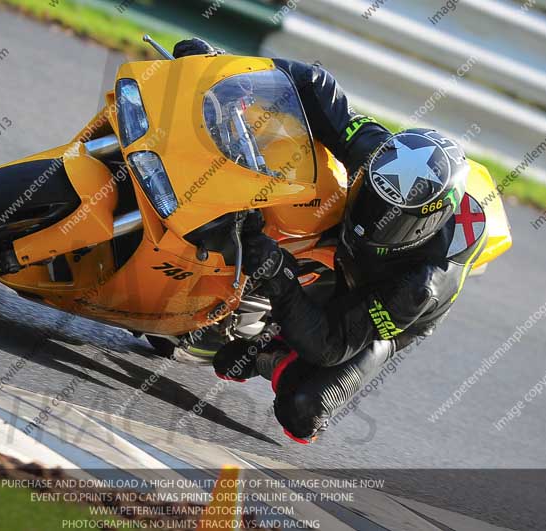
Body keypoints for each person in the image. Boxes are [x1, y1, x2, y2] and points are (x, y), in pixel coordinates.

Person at [173, 38, 486, 443]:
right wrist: (222, 66)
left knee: (302, 410)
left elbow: (330, 344)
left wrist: (281, 277)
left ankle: (276, 356)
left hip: (372, 303)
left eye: (392, 220)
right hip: (339, 246)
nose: (375, 220)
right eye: (372, 197)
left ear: (427, 226)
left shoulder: (419, 286)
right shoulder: (377, 154)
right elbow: (312, 83)